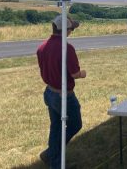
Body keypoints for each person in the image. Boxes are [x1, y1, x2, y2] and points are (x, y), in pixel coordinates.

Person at [37, 15, 86, 169]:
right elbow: (74, 74)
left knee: (56, 126)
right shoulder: (67, 48)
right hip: (64, 95)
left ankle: (53, 159)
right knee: (75, 124)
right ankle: (53, 154)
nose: (72, 32)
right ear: (65, 30)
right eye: (71, 29)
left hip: (49, 92)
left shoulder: (42, 47)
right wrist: (82, 73)